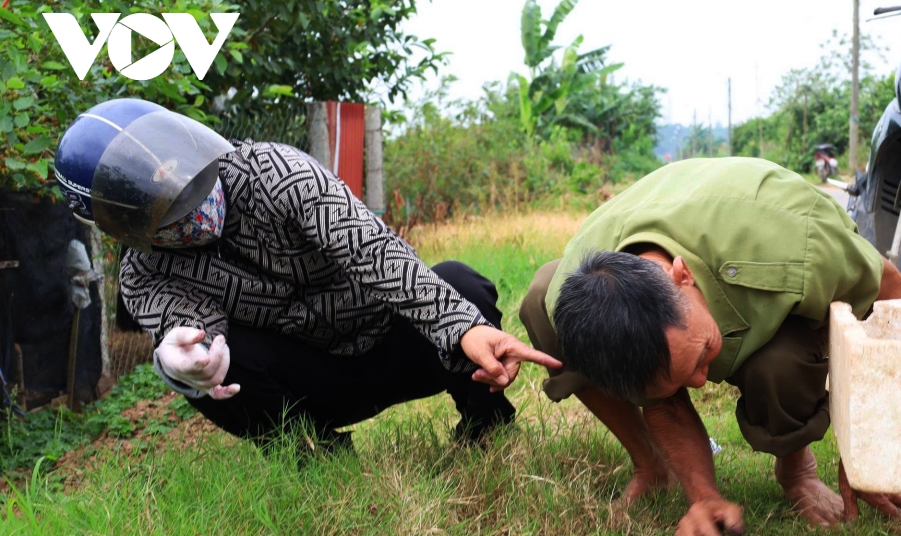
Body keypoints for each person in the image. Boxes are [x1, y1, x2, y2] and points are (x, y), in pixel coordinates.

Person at [54, 98, 559, 449]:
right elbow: (185, 323)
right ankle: (314, 454)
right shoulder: (145, 273)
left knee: (461, 285)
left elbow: (373, 249)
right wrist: (181, 357)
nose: (179, 196)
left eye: (176, 173)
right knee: (209, 365)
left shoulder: (274, 172)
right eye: (153, 201)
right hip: (313, 385)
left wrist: (463, 328)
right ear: (121, 223)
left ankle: (484, 425)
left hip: (390, 339)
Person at [519, 157, 901, 536]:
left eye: (702, 355)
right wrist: (704, 496)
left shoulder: (796, 245)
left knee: (779, 365)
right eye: (684, 380)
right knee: (539, 299)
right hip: (669, 234)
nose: (703, 385)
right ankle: (651, 464)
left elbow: (890, 287)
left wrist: (870, 454)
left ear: (682, 276)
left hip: (759, 256)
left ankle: (796, 471)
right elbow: (661, 399)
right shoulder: (575, 300)